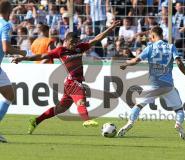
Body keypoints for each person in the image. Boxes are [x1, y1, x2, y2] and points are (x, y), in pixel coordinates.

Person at [12, 20, 120, 135]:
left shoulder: (80, 48)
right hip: (72, 82)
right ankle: (86, 120)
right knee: (81, 97)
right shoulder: (60, 51)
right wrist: (22, 58)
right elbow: (41, 56)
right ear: (66, 41)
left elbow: (97, 39)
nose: (74, 45)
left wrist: (110, 28)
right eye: (72, 42)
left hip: (71, 82)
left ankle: (36, 120)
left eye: (76, 42)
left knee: (60, 109)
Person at [117, 26, 185, 140]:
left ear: (153, 36)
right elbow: (179, 63)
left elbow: (136, 60)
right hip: (168, 86)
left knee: (138, 105)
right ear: (162, 35)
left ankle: (130, 122)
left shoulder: (150, 48)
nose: (150, 39)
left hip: (153, 85)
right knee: (179, 109)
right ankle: (178, 124)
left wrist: (126, 64)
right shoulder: (170, 47)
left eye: (150, 37)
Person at [0, 0, 26, 143]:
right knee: (9, 95)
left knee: (9, 93)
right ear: (9, 11)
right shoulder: (5, 25)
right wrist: (21, 52)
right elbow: (6, 48)